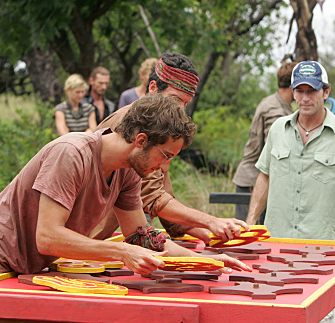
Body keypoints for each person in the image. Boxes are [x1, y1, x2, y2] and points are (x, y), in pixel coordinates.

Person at [0, 94, 251, 323]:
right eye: (166, 155)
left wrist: (202, 260)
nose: (165, 166)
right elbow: (48, 237)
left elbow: (141, 236)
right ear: (141, 140)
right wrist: (120, 252)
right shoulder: (71, 153)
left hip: (27, 270)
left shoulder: (127, 171)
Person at [246, 61, 335, 323]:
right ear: (292, 92)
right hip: (275, 247)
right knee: (273, 320)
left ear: (325, 92)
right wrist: (250, 224)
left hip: (325, 251)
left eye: (312, 90)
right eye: (299, 90)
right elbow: (264, 176)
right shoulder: (278, 129)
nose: (305, 97)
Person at [89, 53, 249, 244]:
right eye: (175, 100)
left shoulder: (156, 124)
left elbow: (160, 192)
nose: (181, 110)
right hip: (77, 243)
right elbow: (153, 197)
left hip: (90, 243)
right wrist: (210, 221)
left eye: (186, 104)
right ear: (153, 88)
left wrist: (211, 235)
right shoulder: (132, 125)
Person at [233, 61, 298, 224]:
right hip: (253, 181)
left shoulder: (276, 103)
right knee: (247, 237)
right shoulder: (275, 110)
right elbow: (278, 151)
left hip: (258, 179)